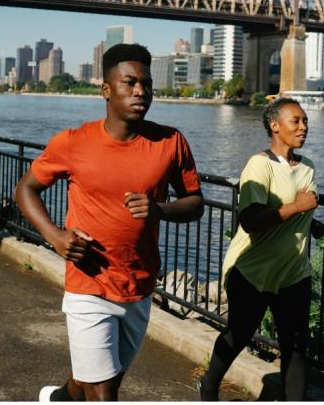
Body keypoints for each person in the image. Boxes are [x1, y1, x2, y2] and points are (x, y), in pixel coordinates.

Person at [14, 43, 204, 401]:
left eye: (146, 84)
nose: (140, 92)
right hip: (89, 283)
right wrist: (55, 237)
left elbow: (195, 203)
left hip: (139, 284)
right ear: (105, 90)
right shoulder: (73, 142)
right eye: (129, 83)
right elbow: (26, 189)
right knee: (103, 395)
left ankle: (58, 399)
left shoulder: (170, 142)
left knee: (100, 382)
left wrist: (160, 208)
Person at [198, 97, 318, 401]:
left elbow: (301, 212)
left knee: (296, 346)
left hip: (293, 273)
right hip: (252, 270)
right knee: (239, 334)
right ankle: (209, 385)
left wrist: (307, 219)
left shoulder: (308, 167)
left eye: (305, 121)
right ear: (275, 126)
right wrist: (297, 207)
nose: (304, 127)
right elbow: (250, 220)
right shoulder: (259, 165)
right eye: (296, 121)